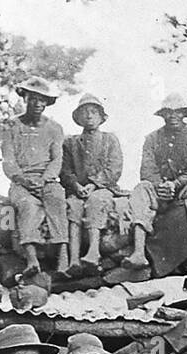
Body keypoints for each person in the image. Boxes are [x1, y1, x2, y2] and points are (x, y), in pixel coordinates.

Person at [126, 94, 187, 271]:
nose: (173, 116)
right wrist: (160, 186)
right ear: (162, 115)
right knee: (141, 189)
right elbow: (146, 170)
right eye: (168, 113)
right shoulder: (152, 138)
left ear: (184, 114)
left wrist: (176, 183)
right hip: (159, 192)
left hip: (185, 188)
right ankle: (139, 252)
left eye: (178, 112)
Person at [1, 76, 68, 276]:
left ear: (47, 102)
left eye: (42, 99)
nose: (37, 103)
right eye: (33, 98)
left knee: (57, 199)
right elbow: (8, 161)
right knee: (27, 205)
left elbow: (57, 159)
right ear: (25, 98)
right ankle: (32, 260)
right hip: (21, 181)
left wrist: (45, 179)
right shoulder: (12, 126)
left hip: (46, 179)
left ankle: (63, 258)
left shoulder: (54, 128)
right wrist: (22, 180)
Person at [61, 93, 123, 274]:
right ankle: (73, 259)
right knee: (73, 206)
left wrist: (94, 184)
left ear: (101, 117)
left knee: (96, 201)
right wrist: (76, 186)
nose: (89, 116)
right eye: (84, 113)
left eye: (93, 112)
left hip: (103, 188)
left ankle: (93, 252)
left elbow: (114, 168)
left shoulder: (109, 139)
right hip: (78, 190)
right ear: (78, 118)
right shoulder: (70, 143)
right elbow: (65, 171)